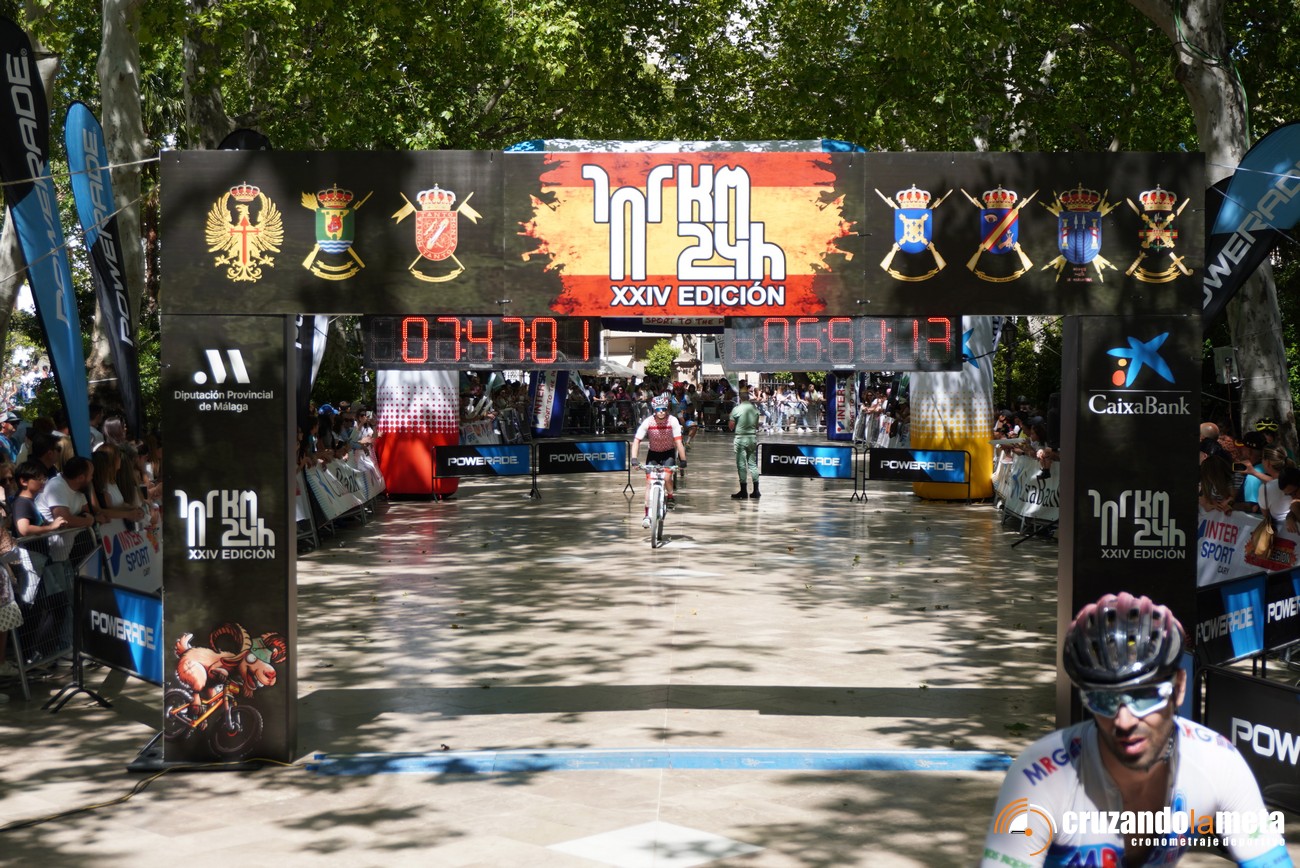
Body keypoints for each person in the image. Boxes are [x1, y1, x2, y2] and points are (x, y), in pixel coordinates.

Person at [982, 593, 1291, 867]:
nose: (1124, 721)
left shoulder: (1218, 761)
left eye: (1144, 696)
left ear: (1179, 688)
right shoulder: (1038, 777)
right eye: (1104, 700)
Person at [629, 396, 687, 528]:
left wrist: (683, 460)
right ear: (654, 410)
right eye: (658, 409)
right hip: (653, 454)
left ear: (667, 409)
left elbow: (678, 442)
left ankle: (670, 496)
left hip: (668, 453)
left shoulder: (673, 421)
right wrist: (634, 459)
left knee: (667, 477)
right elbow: (637, 440)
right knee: (649, 483)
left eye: (663, 409)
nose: (661, 412)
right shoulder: (648, 422)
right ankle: (647, 515)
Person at [729, 387, 761, 500]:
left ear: (740, 397)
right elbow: (757, 425)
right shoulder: (754, 409)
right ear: (748, 397)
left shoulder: (736, 409)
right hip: (752, 438)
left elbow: (731, 426)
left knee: (741, 465)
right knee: (752, 464)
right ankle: (756, 490)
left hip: (740, 438)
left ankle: (743, 491)